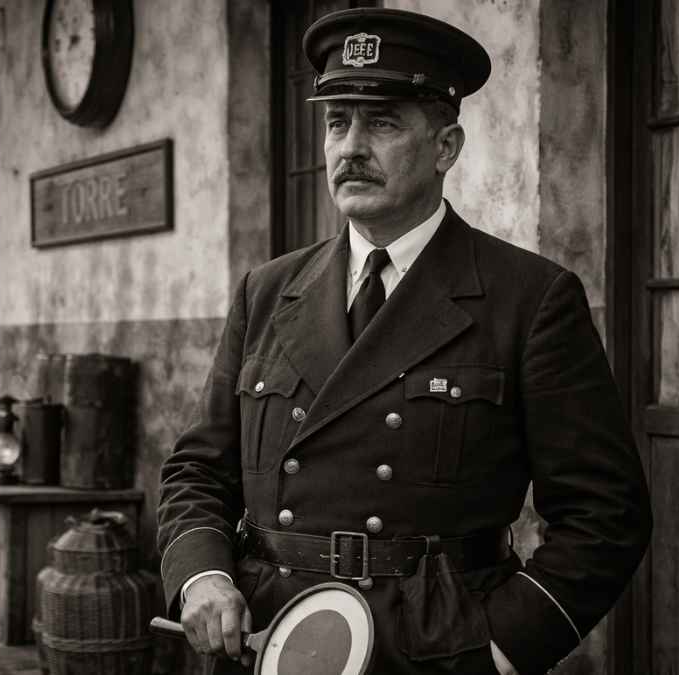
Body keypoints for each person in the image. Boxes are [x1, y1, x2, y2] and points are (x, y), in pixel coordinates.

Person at [156, 7, 652, 675]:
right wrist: (203, 576)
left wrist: (501, 648)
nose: (350, 147)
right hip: (270, 638)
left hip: (429, 647)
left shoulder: (528, 299)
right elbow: (198, 470)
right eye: (337, 123)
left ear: (446, 147)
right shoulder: (267, 291)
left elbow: (606, 514)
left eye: (383, 123)